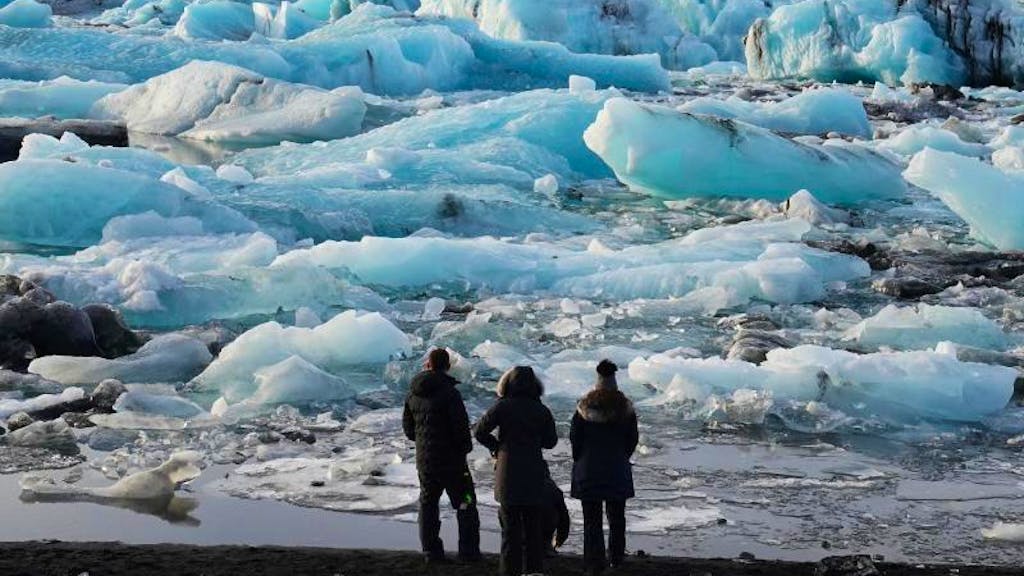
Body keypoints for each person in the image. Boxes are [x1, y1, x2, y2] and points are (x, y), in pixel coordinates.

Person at [475, 366, 558, 576]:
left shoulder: (502, 407)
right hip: (533, 472)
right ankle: (533, 571)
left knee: (509, 531)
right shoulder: (541, 410)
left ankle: (509, 571)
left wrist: (496, 447)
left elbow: (479, 431)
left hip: (507, 471)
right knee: (533, 529)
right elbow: (551, 442)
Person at [402, 348, 481, 564]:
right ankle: (468, 552)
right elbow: (460, 427)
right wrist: (464, 449)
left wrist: (423, 442)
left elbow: (408, 430)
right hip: (453, 462)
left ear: (428, 364)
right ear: (447, 366)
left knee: (428, 504)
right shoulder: (450, 393)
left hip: (425, 461)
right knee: (466, 502)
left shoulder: (412, 394)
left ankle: (431, 551)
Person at [570, 359, 639, 575]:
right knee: (617, 518)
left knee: (591, 520)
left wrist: (580, 460)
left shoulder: (583, 407)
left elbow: (575, 439)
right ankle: (616, 560)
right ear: (614, 380)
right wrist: (621, 458)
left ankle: (593, 563)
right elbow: (632, 440)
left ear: (597, 380)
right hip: (617, 469)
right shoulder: (625, 408)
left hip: (588, 470)